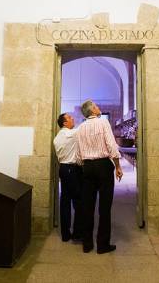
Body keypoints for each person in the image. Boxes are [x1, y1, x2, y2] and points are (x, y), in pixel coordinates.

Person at [76, 100, 123, 254]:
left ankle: (87, 244)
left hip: (87, 167)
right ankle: (102, 245)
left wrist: (85, 166)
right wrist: (117, 166)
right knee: (104, 207)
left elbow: (78, 154)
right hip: (103, 166)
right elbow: (111, 145)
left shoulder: (80, 127)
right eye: (96, 106)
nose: (98, 108)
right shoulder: (103, 123)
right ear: (92, 111)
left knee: (87, 207)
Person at [53, 112, 83, 242]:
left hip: (63, 169)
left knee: (65, 201)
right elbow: (84, 128)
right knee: (79, 201)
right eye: (70, 118)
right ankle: (77, 233)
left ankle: (65, 234)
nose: (73, 119)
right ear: (64, 123)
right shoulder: (70, 134)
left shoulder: (57, 137)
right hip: (72, 170)